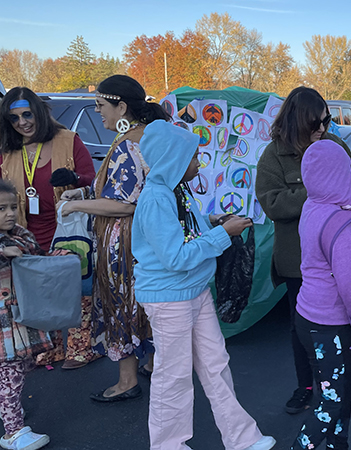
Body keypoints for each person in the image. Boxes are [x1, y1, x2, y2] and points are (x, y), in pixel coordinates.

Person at [132, 120, 276, 450]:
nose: (199, 162)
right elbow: (176, 257)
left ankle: (242, 437)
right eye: (194, 157)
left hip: (194, 291)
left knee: (216, 365)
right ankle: (168, 445)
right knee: (174, 377)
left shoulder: (174, 190)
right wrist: (223, 233)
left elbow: (183, 232)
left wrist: (210, 221)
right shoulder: (156, 198)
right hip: (170, 299)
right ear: (173, 160)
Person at [58, 75, 170, 401]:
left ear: (121, 106)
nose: (98, 112)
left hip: (123, 241)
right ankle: (152, 364)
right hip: (145, 238)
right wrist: (85, 191)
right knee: (143, 302)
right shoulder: (146, 136)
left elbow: (123, 203)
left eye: (101, 105)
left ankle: (126, 380)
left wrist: (75, 203)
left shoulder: (127, 143)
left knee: (122, 303)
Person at [256, 87, 351, 415]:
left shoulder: (335, 145)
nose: (322, 129)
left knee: (341, 327)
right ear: (297, 122)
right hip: (296, 262)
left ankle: (336, 385)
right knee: (300, 328)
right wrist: (316, 190)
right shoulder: (274, 155)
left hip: (338, 256)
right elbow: (271, 203)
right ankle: (306, 387)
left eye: (326, 121)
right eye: (315, 123)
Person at [0, 87, 98, 370]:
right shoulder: (7, 151)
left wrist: (75, 178)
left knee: (77, 288)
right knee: (39, 291)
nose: (23, 123)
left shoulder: (68, 140)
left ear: (39, 113)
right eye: (14, 118)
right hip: (25, 233)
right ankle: (48, 348)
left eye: (27, 114)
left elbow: (91, 179)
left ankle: (81, 348)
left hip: (67, 230)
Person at [290, 139, 351, 450]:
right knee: (332, 401)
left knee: (335, 392)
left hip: (306, 317)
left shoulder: (311, 206)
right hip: (332, 326)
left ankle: (337, 445)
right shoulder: (343, 226)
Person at [0, 180, 53, 450]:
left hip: (21, 318)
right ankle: (14, 432)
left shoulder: (22, 235)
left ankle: (9, 412)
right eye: (1, 208)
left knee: (19, 369)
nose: (9, 213)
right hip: (4, 325)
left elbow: (38, 260)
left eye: (12, 207)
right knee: (11, 373)